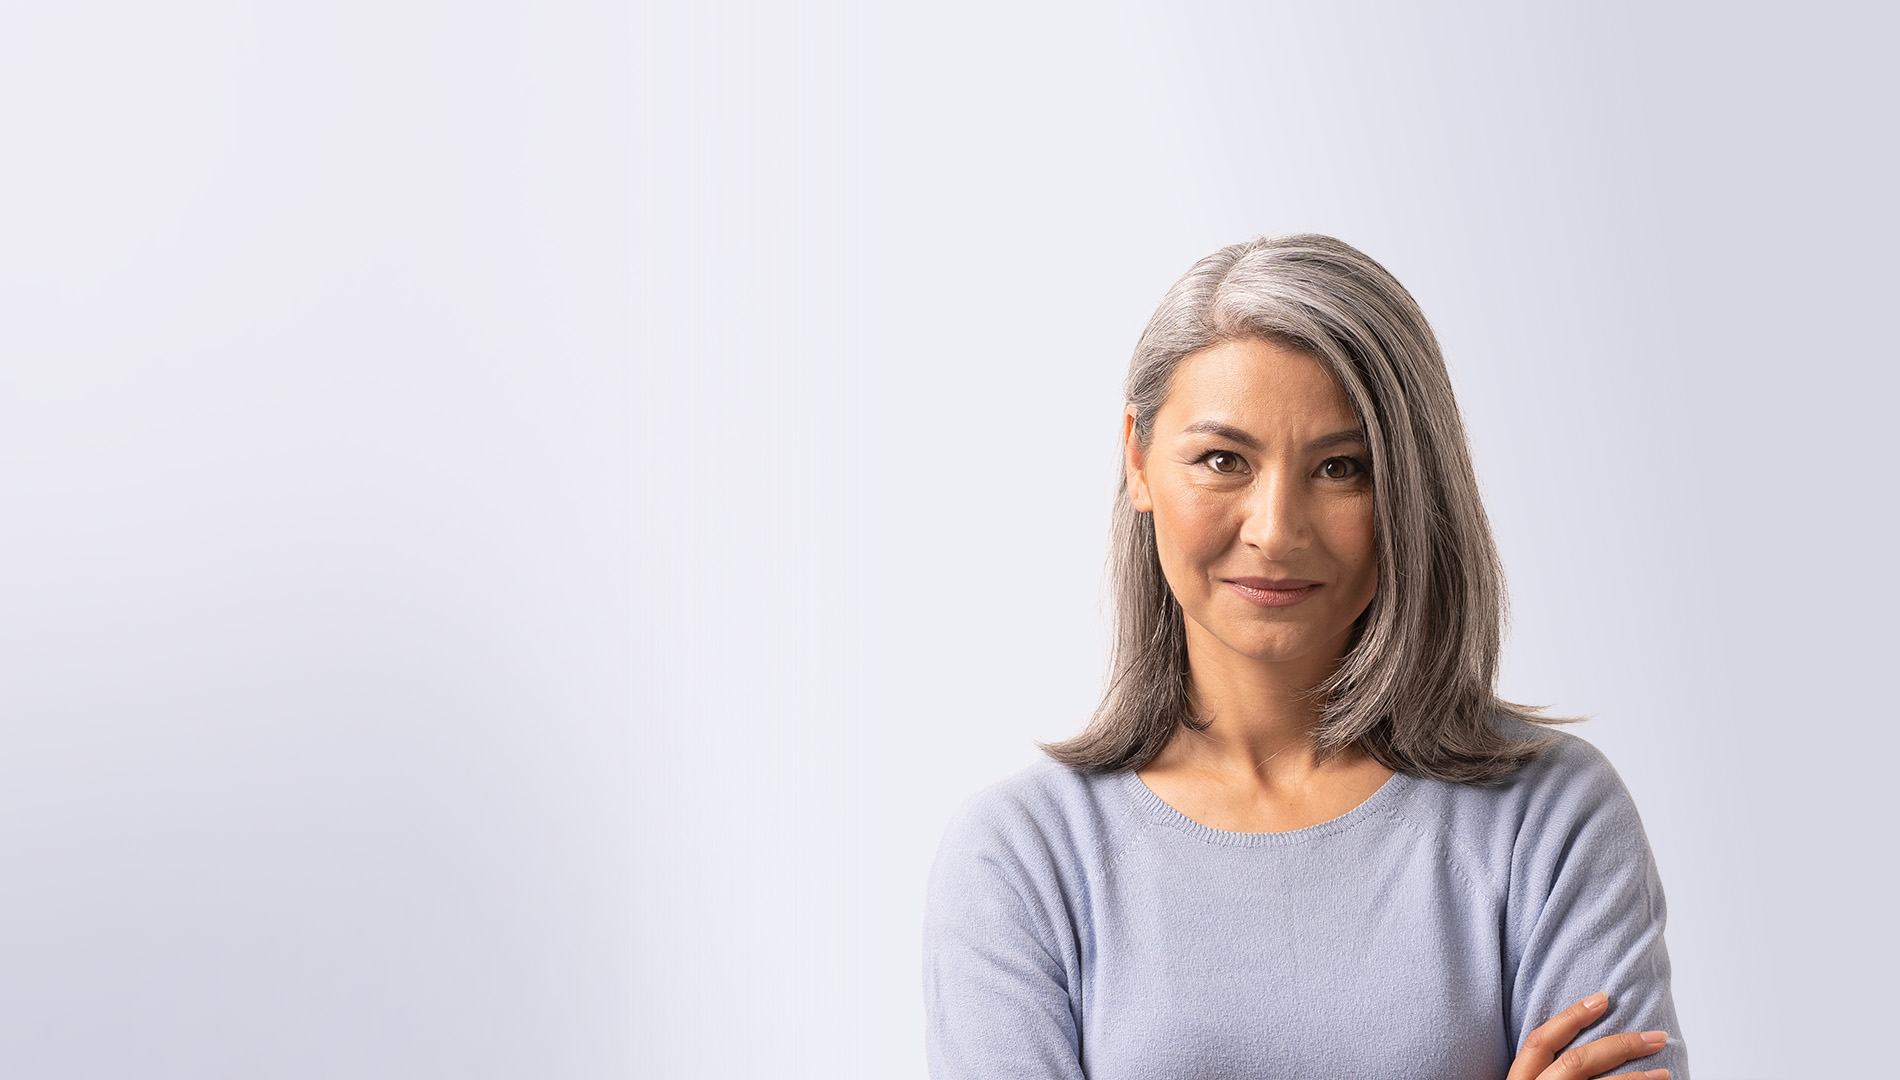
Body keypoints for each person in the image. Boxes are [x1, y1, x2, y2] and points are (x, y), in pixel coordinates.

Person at [921, 235, 1687, 1079]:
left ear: (1409, 487)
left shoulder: (1551, 822)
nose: (1276, 529)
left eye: (1340, 467)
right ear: (1137, 458)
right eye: (1223, 460)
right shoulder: (1022, 859)